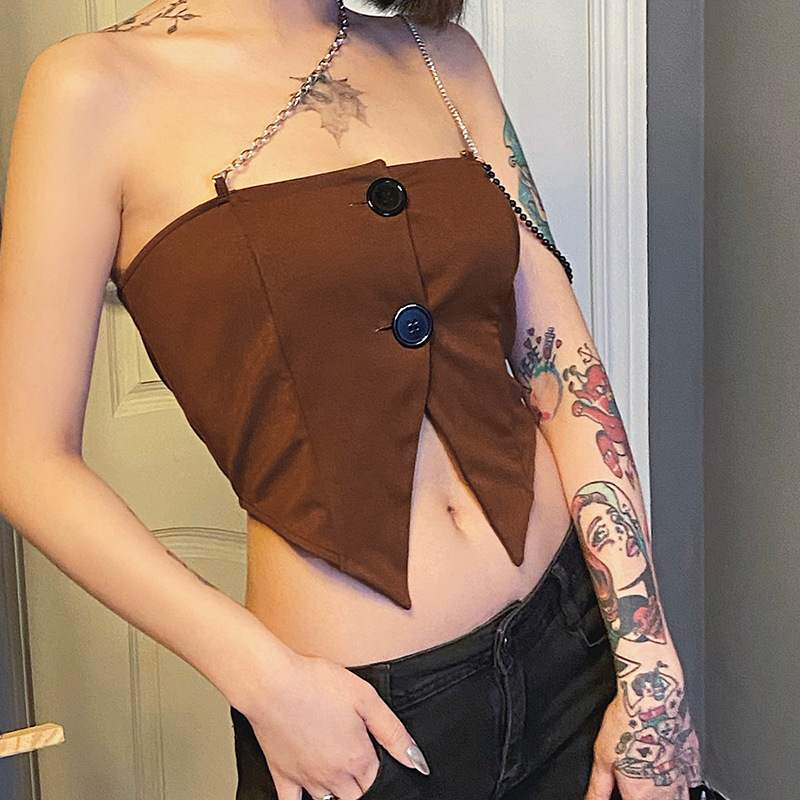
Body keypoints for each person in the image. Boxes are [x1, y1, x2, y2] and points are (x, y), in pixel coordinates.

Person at [0, 0, 703, 798]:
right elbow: (27, 460)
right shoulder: (91, 87)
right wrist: (261, 679)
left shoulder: (443, 56)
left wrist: (650, 661)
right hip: (362, 723)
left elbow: (566, 372)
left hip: (574, 649)